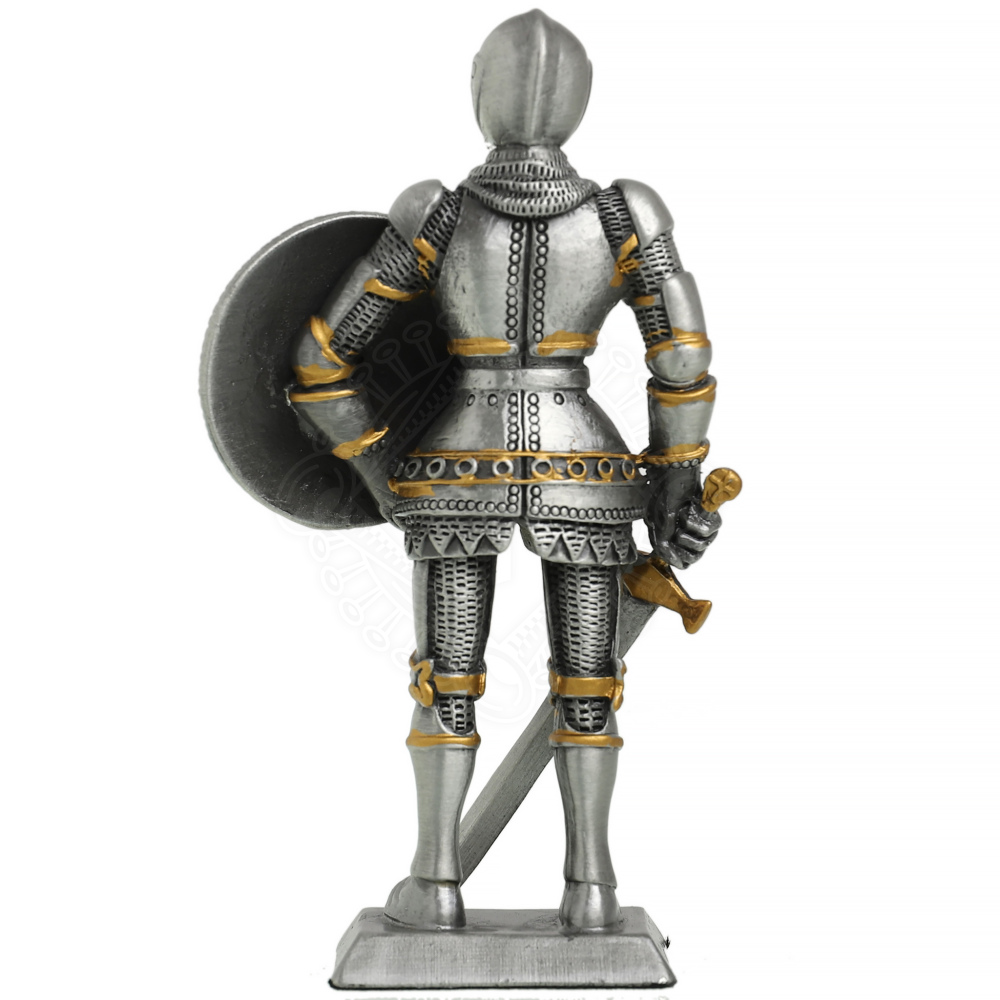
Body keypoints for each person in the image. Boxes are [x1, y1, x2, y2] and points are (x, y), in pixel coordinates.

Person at [288, 10, 723, 932]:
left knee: (444, 678)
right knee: (591, 684)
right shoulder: (623, 214)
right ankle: (592, 894)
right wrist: (675, 482)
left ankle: (436, 885)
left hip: (454, 468)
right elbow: (680, 353)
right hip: (585, 466)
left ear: (478, 93)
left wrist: (382, 476)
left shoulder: (436, 214)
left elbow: (323, 361)